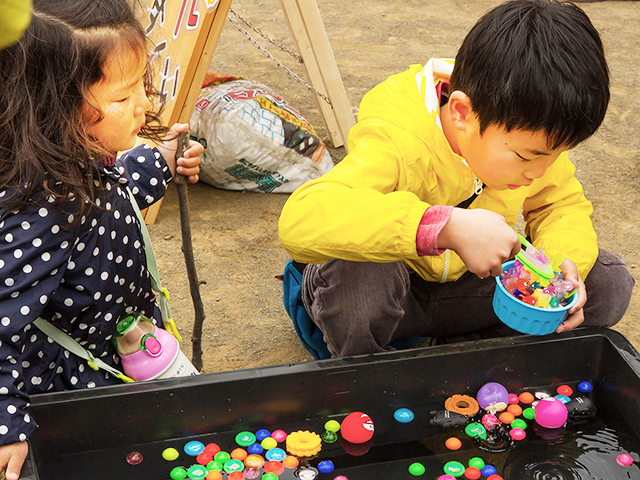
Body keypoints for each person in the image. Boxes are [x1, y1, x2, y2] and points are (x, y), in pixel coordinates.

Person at [278, 0, 634, 358]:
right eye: (527, 156)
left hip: (471, 289)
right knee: (359, 279)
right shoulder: (399, 137)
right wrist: (443, 227)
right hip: (397, 294)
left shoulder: (528, 125)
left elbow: (561, 205)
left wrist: (560, 264)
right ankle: (371, 367)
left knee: (607, 283)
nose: (539, 171)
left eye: (554, 154)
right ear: (462, 112)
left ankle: (452, 356)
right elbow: (301, 220)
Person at [0, 0, 203, 477]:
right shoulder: (41, 209)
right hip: (72, 397)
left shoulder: (81, 161)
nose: (145, 105)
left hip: (119, 357)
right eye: (122, 97)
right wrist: (7, 419)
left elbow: (118, 187)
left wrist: (163, 160)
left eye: (142, 87)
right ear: (53, 103)